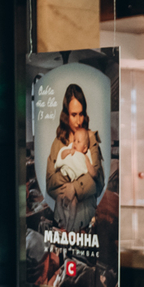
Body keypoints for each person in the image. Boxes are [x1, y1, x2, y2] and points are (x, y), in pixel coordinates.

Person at [45, 84, 104, 233]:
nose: (79, 121)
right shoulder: (58, 143)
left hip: (85, 221)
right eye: (73, 115)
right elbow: (50, 183)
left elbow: (99, 182)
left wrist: (75, 188)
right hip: (62, 220)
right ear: (66, 115)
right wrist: (68, 184)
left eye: (81, 114)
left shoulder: (90, 138)